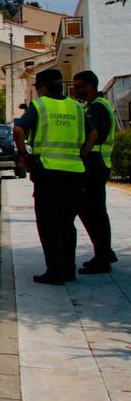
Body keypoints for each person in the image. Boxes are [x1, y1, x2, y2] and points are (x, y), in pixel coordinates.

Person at [13, 69, 97, 285]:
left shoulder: (40, 105)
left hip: (48, 172)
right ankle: (69, 269)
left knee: (49, 223)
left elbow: (19, 130)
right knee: (67, 223)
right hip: (74, 172)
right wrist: (83, 154)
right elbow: (94, 134)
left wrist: (24, 156)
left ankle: (55, 271)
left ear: (42, 86)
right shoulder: (76, 106)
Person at [72, 70, 117, 274]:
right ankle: (105, 252)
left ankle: (103, 258)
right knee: (93, 211)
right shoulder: (96, 105)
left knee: (94, 212)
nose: (76, 90)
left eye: (79, 86)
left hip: (94, 165)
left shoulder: (97, 107)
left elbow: (94, 135)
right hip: (98, 164)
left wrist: (81, 156)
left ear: (91, 85)